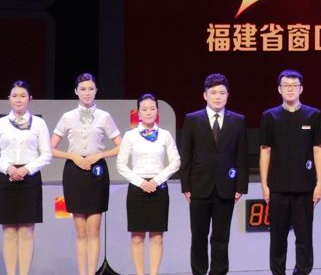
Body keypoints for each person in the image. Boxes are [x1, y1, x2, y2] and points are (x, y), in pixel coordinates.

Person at [50, 73, 121, 275]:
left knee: (94, 230)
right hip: (74, 172)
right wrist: (72, 155)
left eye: (91, 88)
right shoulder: (67, 117)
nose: (87, 92)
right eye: (83, 89)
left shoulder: (104, 116)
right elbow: (50, 148)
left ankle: (92, 273)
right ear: (76, 91)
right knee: (80, 232)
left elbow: (121, 146)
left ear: (96, 90)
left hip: (96, 171)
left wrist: (100, 154)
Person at [180, 73, 248, 275]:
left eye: (222, 93)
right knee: (198, 236)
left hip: (226, 187)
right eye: (213, 92)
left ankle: (219, 272)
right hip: (199, 187)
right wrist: (186, 186)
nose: (218, 96)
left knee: (221, 237)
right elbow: (186, 154)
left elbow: (242, 155)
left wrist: (241, 186)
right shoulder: (192, 119)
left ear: (228, 95)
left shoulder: (238, 120)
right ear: (205, 95)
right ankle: (199, 272)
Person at [259, 69, 321, 275]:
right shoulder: (269, 116)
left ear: (301, 89)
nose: (290, 89)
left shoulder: (313, 115)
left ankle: (302, 271)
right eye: (286, 86)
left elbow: (318, 150)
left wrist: (319, 183)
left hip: (305, 187)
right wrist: (264, 185)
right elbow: (265, 151)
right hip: (277, 187)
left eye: (294, 86)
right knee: (277, 237)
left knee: (304, 236)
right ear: (279, 89)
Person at [116, 93, 181, 275]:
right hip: (137, 189)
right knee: (137, 237)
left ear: (157, 111)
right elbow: (120, 164)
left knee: (157, 237)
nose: (149, 112)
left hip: (159, 188)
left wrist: (157, 180)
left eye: (152, 108)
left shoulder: (165, 135)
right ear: (138, 112)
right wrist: (140, 182)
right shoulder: (130, 136)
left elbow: (176, 161)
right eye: (144, 109)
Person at [0, 80, 52, 275]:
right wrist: (8, 168)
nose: (18, 99)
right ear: (9, 98)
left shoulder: (38, 123)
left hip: (30, 179)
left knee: (26, 230)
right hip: (5, 178)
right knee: (8, 230)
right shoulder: (1, 123)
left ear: (30, 98)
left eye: (22, 95)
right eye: (14, 95)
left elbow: (47, 154)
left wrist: (27, 169)